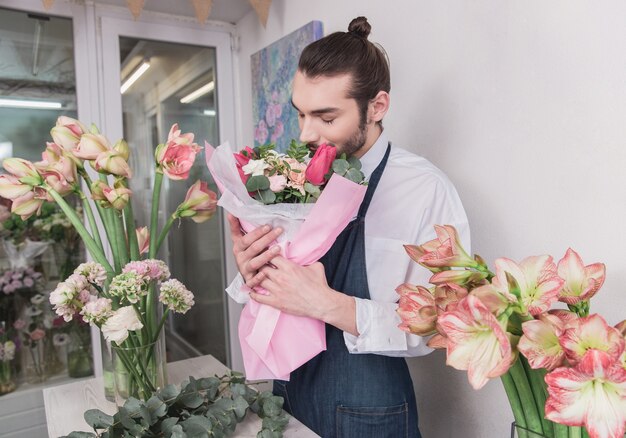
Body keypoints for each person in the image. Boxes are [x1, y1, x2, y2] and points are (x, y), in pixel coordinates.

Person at [227, 16, 469, 438]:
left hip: (371, 415)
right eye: (300, 114)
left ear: (377, 106)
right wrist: (254, 272)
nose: (305, 134)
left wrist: (326, 304)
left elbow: (444, 324)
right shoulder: (297, 176)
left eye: (325, 116)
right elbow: (282, 291)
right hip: (289, 397)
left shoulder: (426, 190)